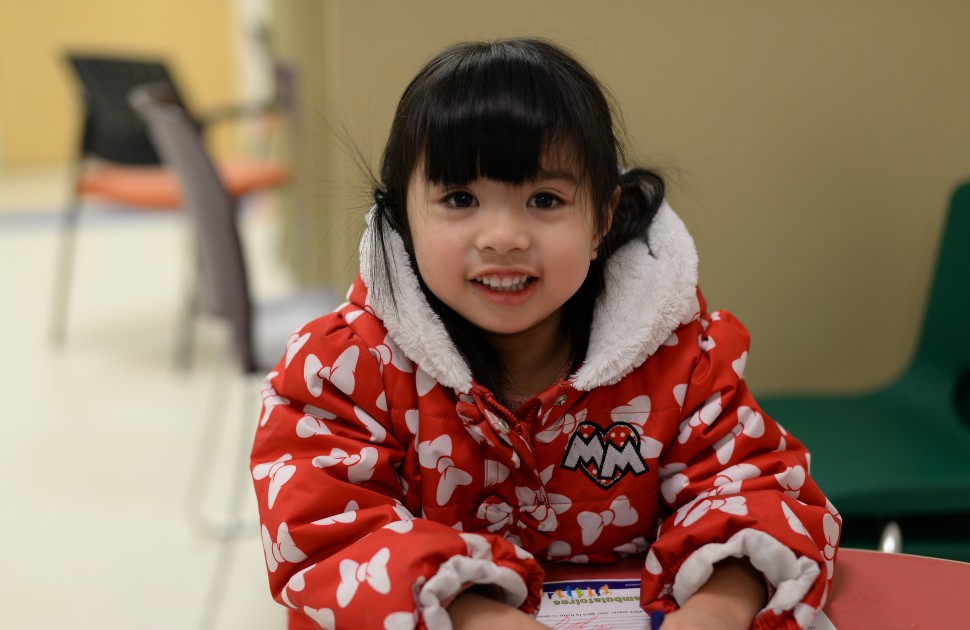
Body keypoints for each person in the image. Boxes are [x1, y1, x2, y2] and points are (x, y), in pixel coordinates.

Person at [251, 38, 841, 630]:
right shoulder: (342, 370)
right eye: (461, 198)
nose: (503, 236)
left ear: (601, 221)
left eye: (544, 199)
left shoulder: (678, 361)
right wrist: (479, 617)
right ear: (402, 218)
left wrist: (718, 607)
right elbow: (323, 534)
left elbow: (758, 490)